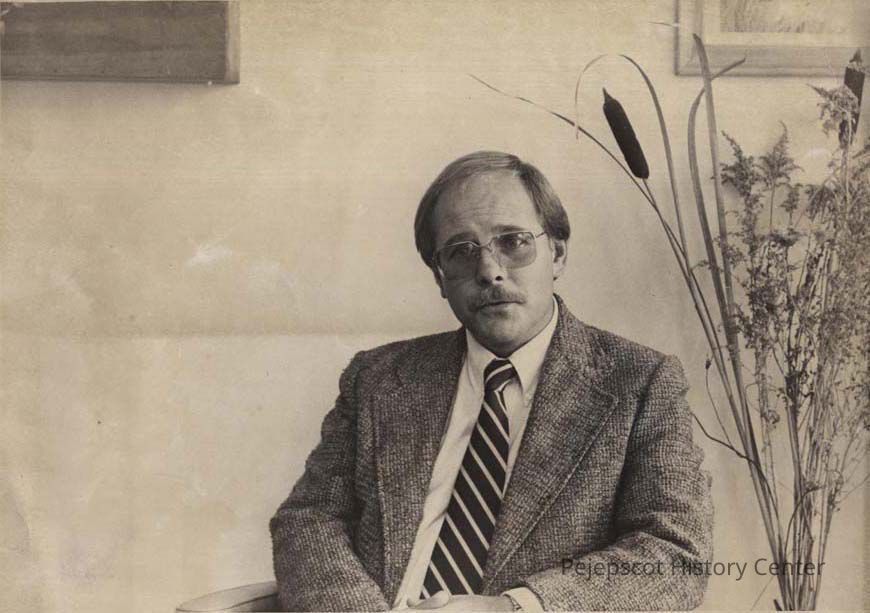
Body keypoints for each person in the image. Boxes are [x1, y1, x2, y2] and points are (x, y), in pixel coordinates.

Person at [270, 151, 713, 611]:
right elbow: (308, 518)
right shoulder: (377, 379)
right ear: (439, 276)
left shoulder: (639, 383)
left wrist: (511, 607)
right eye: (461, 251)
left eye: (514, 242)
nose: (489, 271)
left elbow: (674, 554)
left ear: (557, 254)